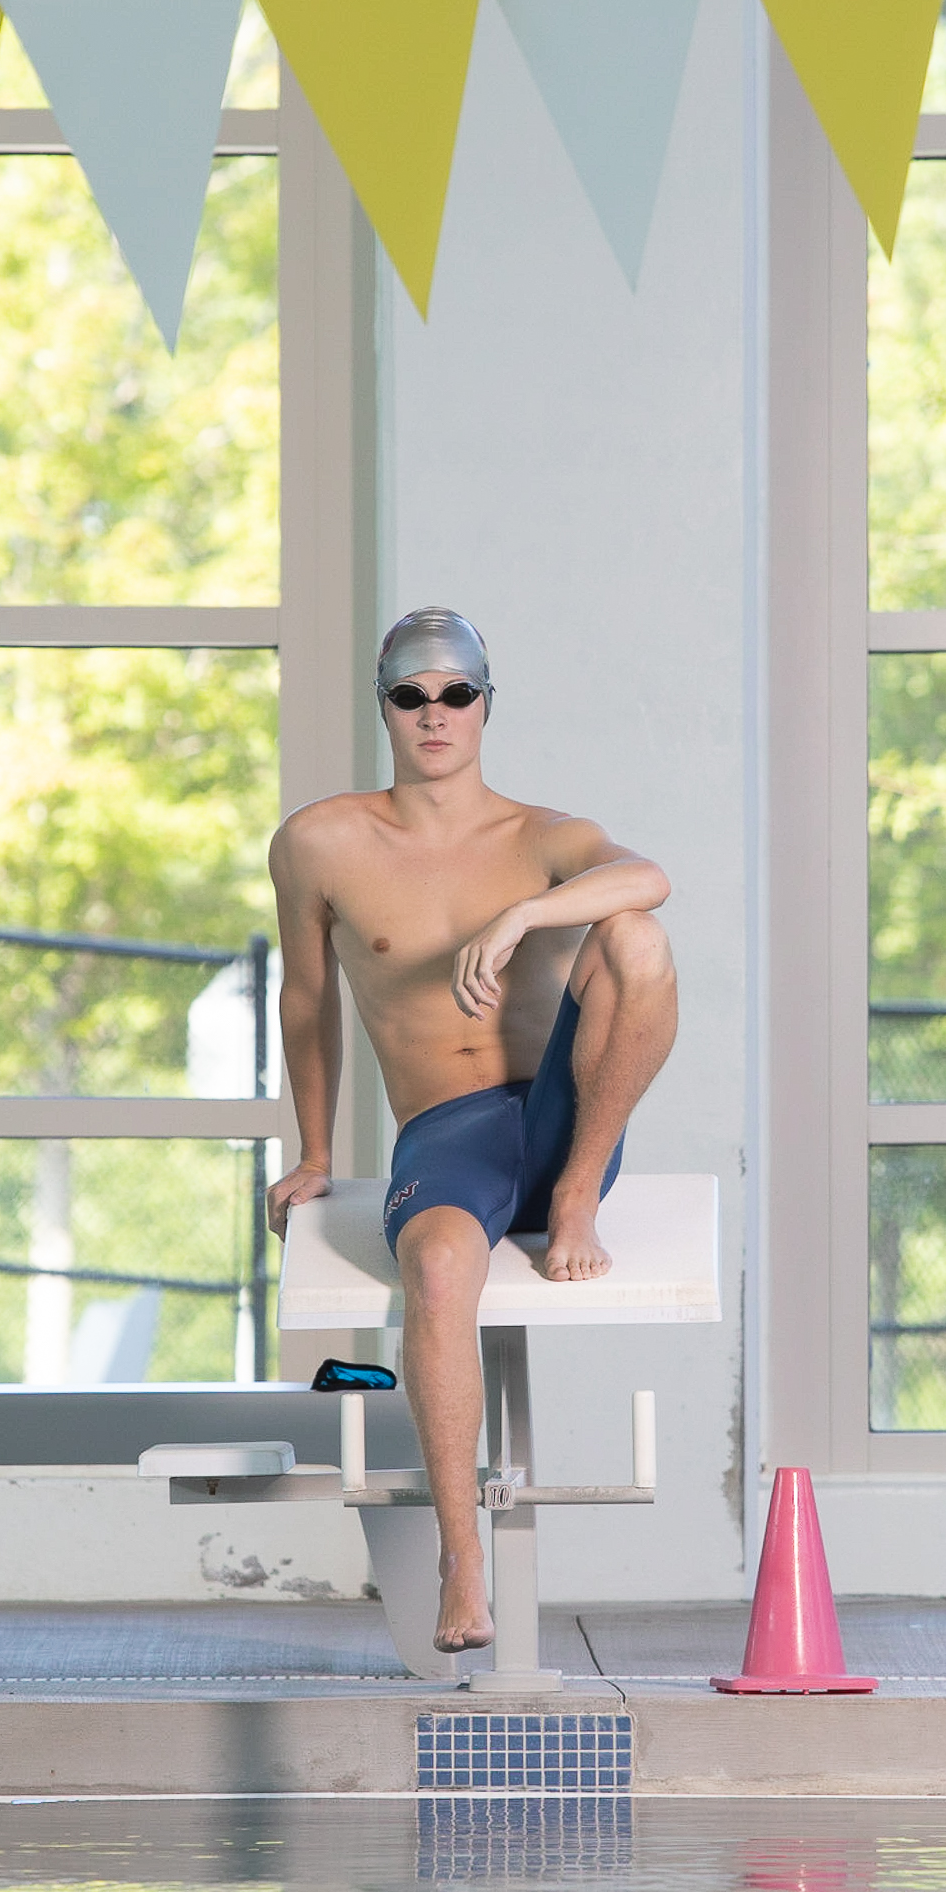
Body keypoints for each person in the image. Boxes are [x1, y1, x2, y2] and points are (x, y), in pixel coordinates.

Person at [266, 608, 678, 1653]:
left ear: (486, 704)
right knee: (442, 1275)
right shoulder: (322, 842)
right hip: (446, 1132)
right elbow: (307, 1004)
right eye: (411, 694)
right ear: (384, 707)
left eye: (455, 692)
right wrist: (313, 1154)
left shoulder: (542, 838)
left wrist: (524, 915)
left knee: (634, 936)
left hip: (560, 1115)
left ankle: (576, 1190)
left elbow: (649, 880)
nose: (434, 712)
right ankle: (463, 1561)